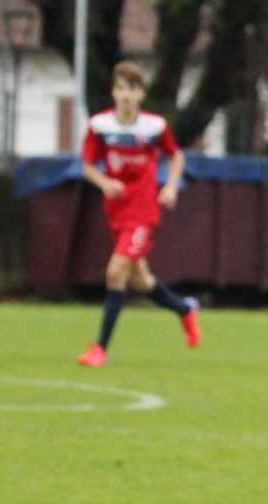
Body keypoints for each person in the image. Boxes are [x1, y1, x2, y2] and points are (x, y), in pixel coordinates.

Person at [76, 61, 200, 368]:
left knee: (115, 271)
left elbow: (176, 156)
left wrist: (170, 187)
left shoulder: (154, 127)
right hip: (116, 210)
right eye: (120, 88)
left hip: (142, 210)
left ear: (141, 94)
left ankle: (100, 349)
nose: (126, 95)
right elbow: (87, 166)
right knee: (141, 281)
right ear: (113, 92)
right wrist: (105, 183)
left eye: (131, 89)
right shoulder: (100, 126)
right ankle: (185, 310)